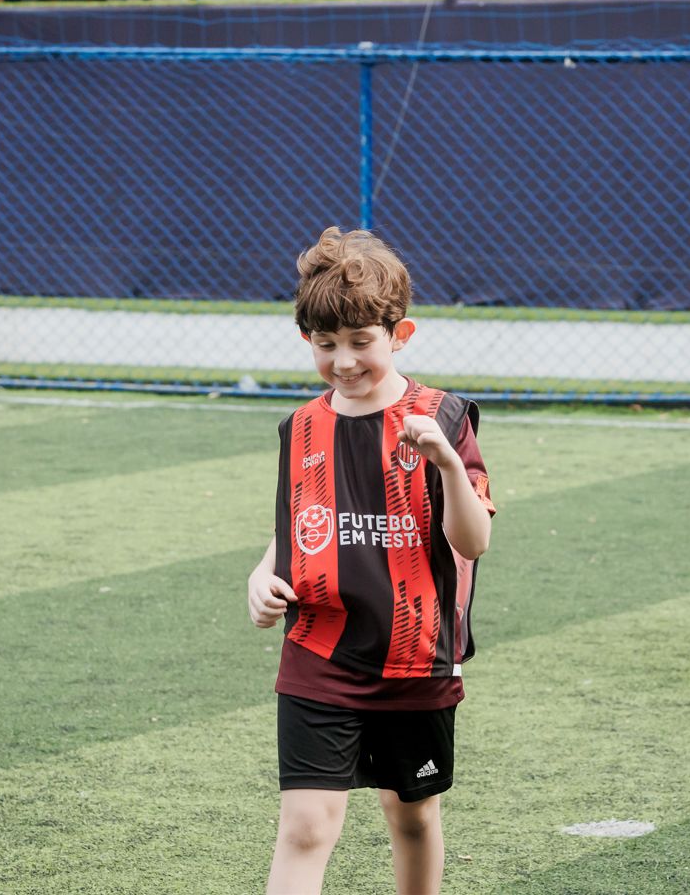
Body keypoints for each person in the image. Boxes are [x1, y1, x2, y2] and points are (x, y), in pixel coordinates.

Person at [246, 227, 495, 895]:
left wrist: (444, 460)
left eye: (362, 342)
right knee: (304, 827)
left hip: (414, 658)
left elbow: (473, 543)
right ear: (307, 340)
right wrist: (262, 574)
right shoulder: (300, 427)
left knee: (409, 817)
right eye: (327, 345)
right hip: (318, 654)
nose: (345, 361)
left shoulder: (442, 418)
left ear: (401, 334)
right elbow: (299, 523)